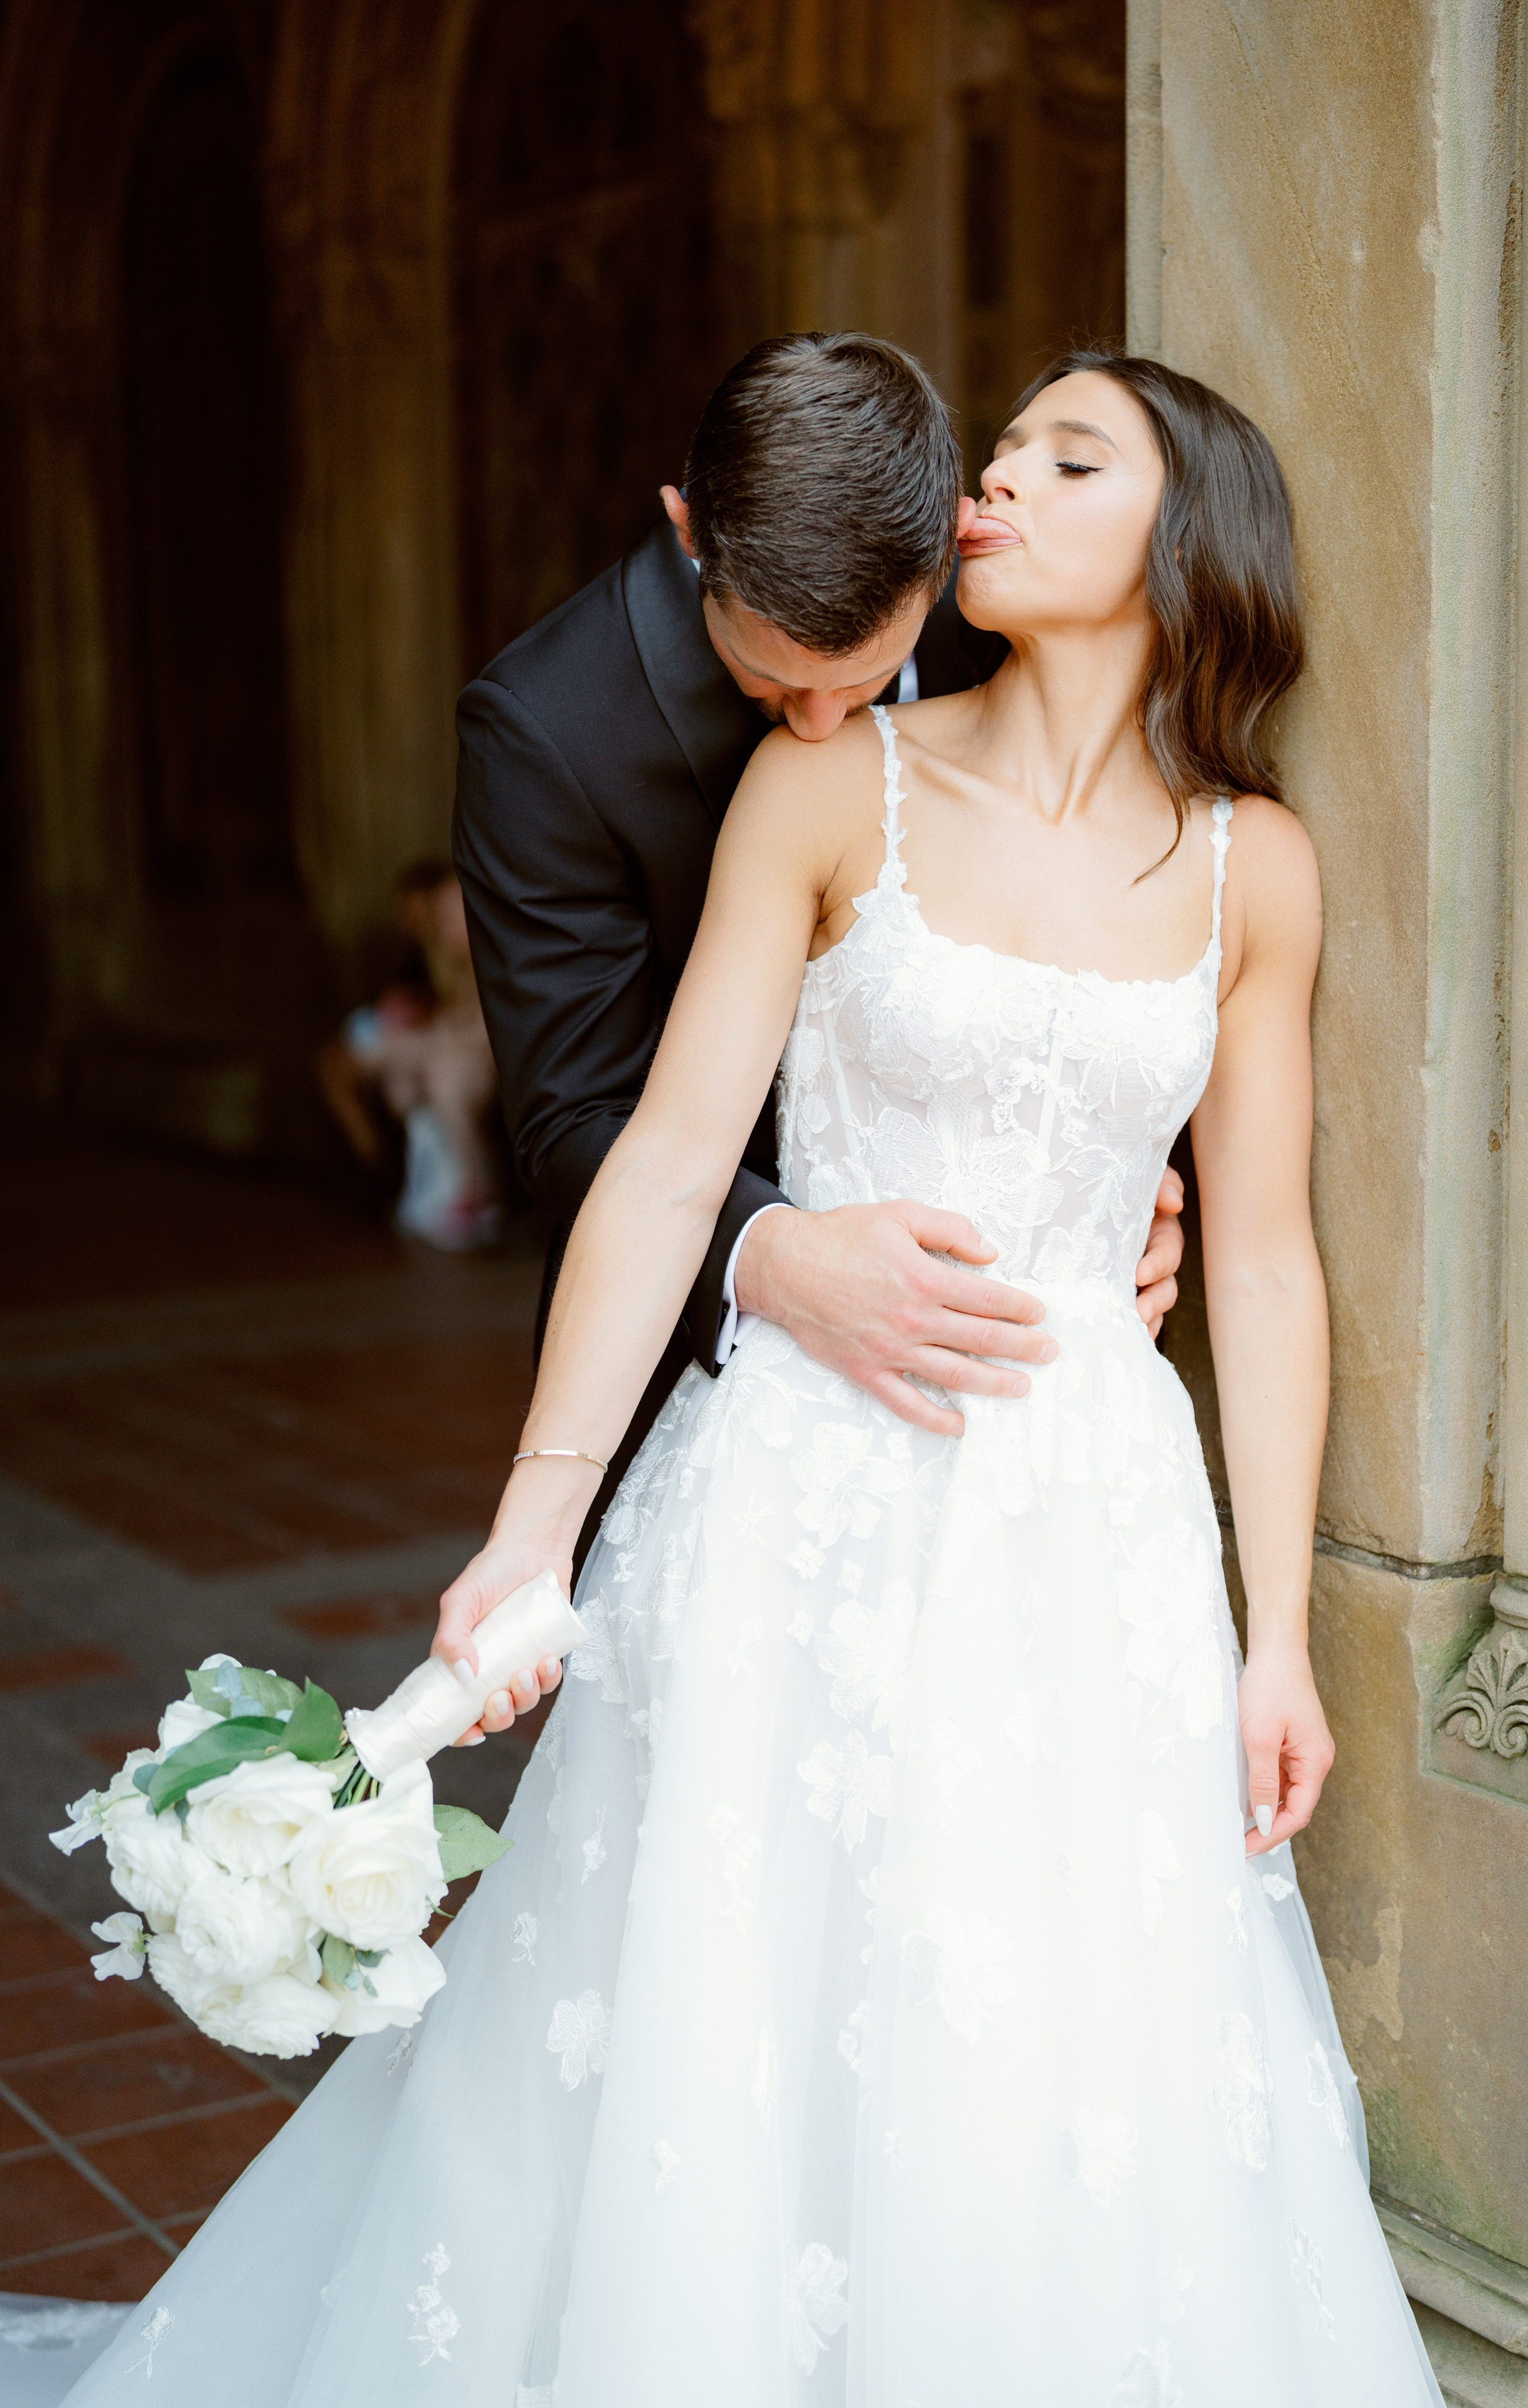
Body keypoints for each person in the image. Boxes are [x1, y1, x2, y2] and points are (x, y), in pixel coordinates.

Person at [58, 351, 1442, 2403]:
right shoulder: (829, 785)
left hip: (1098, 1531)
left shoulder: (1262, 870)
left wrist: (1282, 1642)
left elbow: (1261, 1251)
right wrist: (529, 1538)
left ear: (1194, 542)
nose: (999, 476)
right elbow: (652, 1166)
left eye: (1071, 455)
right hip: (798, 1492)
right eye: (1011, 446)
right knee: (734, 2009)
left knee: (1062, 2038)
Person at [453, 332, 1184, 1604]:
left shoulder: (1003, 627)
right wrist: (777, 1257)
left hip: (1016, 1390)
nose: (819, 729)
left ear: (950, 542)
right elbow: (575, 1112)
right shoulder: (547, 729)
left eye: (857, 682)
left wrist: (1123, 1183)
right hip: (710, 1359)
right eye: (769, 679)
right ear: (690, 530)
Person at [317, 861, 503, 1252]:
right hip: (448, 1052)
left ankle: (474, 1190)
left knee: (439, 1078)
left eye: (457, 914)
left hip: (478, 1062)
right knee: (379, 1069)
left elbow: (486, 1036)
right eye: (444, 916)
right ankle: (379, 1169)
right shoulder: (437, 964)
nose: (448, 925)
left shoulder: (497, 965)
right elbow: (438, 1019)